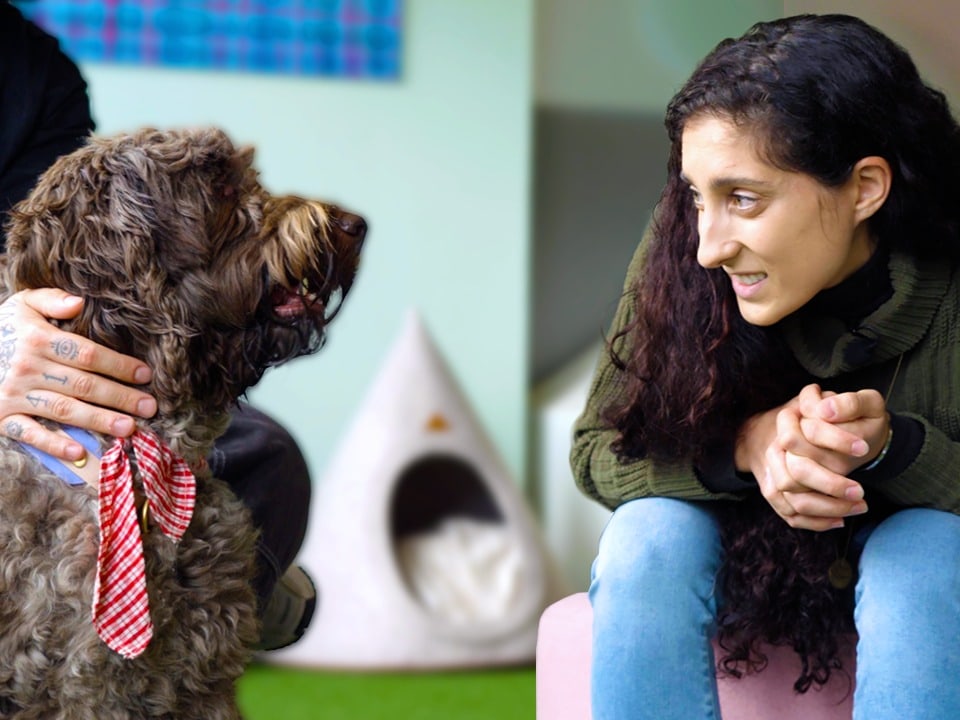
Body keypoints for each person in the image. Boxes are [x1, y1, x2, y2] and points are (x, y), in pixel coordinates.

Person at [571, 13, 960, 720]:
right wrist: (745, 448)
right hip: (741, 565)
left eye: (742, 199)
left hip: (919, 574)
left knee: (929, 549)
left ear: (866, 187)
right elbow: (594, 452)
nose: (706, 248)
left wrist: (890, 447)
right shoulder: (680, 246)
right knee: (646, 534)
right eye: (696, 197)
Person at [0, 2, 315, 651]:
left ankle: (194, 593)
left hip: (22, 382)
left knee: (259, 454)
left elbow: (48, 264)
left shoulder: (32, 71)